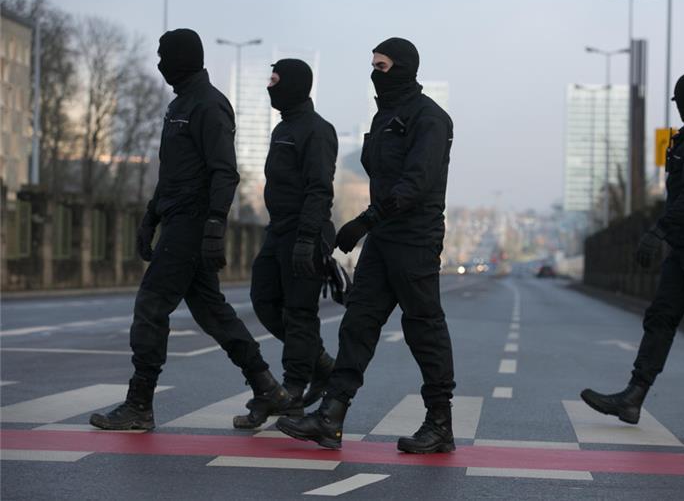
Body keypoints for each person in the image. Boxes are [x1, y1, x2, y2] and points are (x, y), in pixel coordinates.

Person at [90, 29, 290, 430]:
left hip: (193, 223)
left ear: (183, 57)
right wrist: (151, 216)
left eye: (164, 55)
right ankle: (267, 387)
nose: (159, 63)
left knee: (151, 306)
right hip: (177, 220)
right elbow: (172, 173)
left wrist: (215, 224)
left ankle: (139, 405)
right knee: (213, 312)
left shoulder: (209, 106)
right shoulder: (179, 104)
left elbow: (224, 172)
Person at [276, 38, 456, 452]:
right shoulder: (384, 116)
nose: (376, 72)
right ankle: (330, 417)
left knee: (423, 329)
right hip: (384, 238)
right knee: (358, 323)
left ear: (406, 67)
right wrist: (370, 225)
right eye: (373, 64)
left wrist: (364, 221)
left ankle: (440, 423)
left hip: (416, 240)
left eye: (383, 64)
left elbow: (414, 183)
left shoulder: (431, 119)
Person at [580, 72, 684, 433]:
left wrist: (657, 231)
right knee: (660, 318)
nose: (679, 109)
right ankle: (633, 397)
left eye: (678, 103)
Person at [234, 59, 338, 428]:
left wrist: (308, 239)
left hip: (304, 233)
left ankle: (293, 389)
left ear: (294, 84)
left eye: (275, 80)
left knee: (299, 312)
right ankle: (321, 363)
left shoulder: (317, 130)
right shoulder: (284, 129)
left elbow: (319, 188)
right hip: (277, 230)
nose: (269, 86)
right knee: (263, 300)